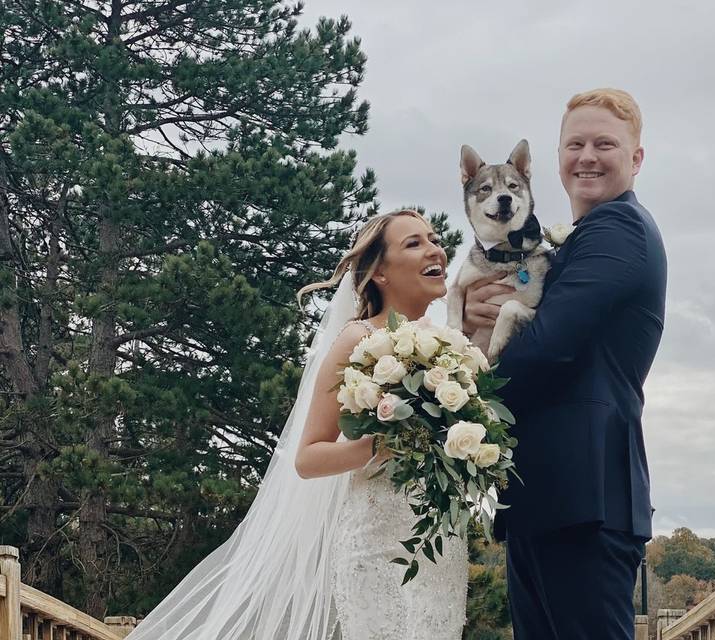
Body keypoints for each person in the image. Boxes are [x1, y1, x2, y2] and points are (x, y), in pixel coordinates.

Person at [127, 210, 467, 640]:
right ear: (379, 271)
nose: (435, 249)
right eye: (414, 243)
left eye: (434, 239)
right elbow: (308, 457)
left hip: (440, 543)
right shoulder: (357, 339)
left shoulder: (453, 347)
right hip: (377, 547)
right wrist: (382, 445)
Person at [462, 88, 668, 640]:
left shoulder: (618, 228)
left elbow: (551, 344)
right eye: (575, 144)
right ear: (558, 160)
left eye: (606, 143)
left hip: (586, 498)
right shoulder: (569, 246)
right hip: (550, 498)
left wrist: (457, 401)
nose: (588, 156)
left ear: (637, 158)